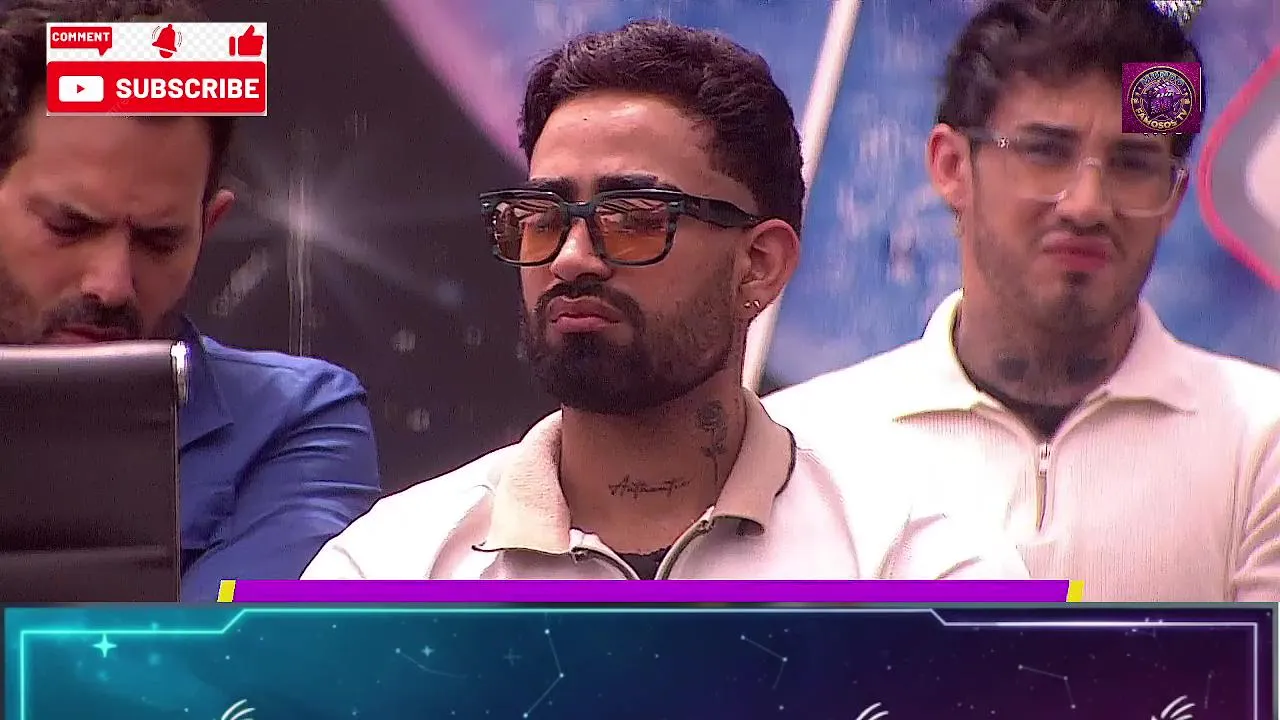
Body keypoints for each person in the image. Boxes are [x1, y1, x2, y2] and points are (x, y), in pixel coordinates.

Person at [304, 20, 1027, 581]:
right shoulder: (388, 573)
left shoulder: (917, 567)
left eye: (633, 217)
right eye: (542, 216)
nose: (571, 257)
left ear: (760, 265)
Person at [765, 0, 1280, 600]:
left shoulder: (1261, 444)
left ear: (1173, 195)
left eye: (1133, 163)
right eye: (1045, 151)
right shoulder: (805, 451)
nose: (1087, 204)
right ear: (952, 166)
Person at [0, 0, 382, 600]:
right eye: (69, 226)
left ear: (210, 225)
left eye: (159, 240)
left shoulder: (294, 421)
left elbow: (213, 652)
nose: (112, 283)